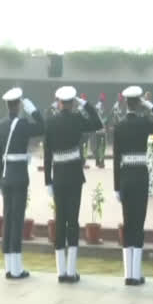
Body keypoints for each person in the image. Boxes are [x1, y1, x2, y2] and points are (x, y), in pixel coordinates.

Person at [44, 86, 104, 283]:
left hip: (59, 176)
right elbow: (97, 122)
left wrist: (47, 180)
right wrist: (84, 103)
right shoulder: (78, 119)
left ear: (58, 102)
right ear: (72, 102)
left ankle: (61, 271)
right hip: (74, 176)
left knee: (59, 220)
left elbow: (46, 155)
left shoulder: (50, 122)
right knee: (72, 221)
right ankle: (71, 270)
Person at [113, 86, 153, 286]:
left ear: (125, 103)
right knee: (138, 224)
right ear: (138, 103)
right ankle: (136, 274)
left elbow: (116, 159)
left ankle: (128, 274)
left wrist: (116, 187)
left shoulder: (118, 126)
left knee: (128, 224)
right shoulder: (144, 122)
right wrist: (151, 106)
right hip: (140, 176)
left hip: (126, 177)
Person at [0, 87, 44, 280]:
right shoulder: (22, 124)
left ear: (7, 106)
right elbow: (42, 127)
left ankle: (8, 266)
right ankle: (16, 268)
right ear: (18, 105)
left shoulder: (2, 125)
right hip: (19, 177)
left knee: (8, 219)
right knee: (16, 221)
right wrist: (33, 110)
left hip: (6, 178)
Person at [91, 93, 108, 168]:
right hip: (102, 129)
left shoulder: (96, 106)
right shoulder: (103, 107)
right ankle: (101, 162)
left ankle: (98, 161)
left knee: (98, 146)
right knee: (102, 146)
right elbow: (105, 118)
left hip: (98, 129)